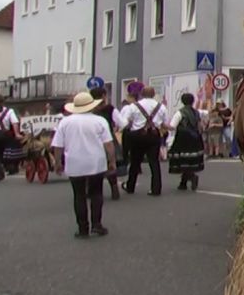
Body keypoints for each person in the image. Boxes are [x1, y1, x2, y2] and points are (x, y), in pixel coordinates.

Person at [51, 92, 116, 238]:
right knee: (96, 193)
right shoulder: (100, 121)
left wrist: (57, 162)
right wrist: (112, 161)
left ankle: (82, 228)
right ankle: (97, 225)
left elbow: (58, 145)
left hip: (74, 162)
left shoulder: (65, 122)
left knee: (79, 195)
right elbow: (108, 144)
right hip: (96, 161)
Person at [118, 85, 169, 195]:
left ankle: (130, 186)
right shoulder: (161, 107)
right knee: (154, 162)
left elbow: (124, 122)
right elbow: (165, 124)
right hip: (154, 135)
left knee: (135, 162)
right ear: (154, 94)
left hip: (137, 135)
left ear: (141, 94)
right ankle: (156, 189)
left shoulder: (134, 106)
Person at [89, 87, 123, 200]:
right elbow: (122, 123)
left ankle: (91, 189)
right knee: (110, 162)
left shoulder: (89, 109)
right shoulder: (110, 109)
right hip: (107, 137)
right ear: (104, 96)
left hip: (92, 139)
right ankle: (114, 187)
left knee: (92, 163)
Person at [167, 93, 206, 191]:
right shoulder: (196, 112)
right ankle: (183, 183)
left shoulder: (180, 113)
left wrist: (163, 126)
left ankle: (191, 177)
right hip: (195, 138)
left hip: (183, 139)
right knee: (190, 160)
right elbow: (200, 125)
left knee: (182, 160)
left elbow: (172, 126)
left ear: (182, 101)